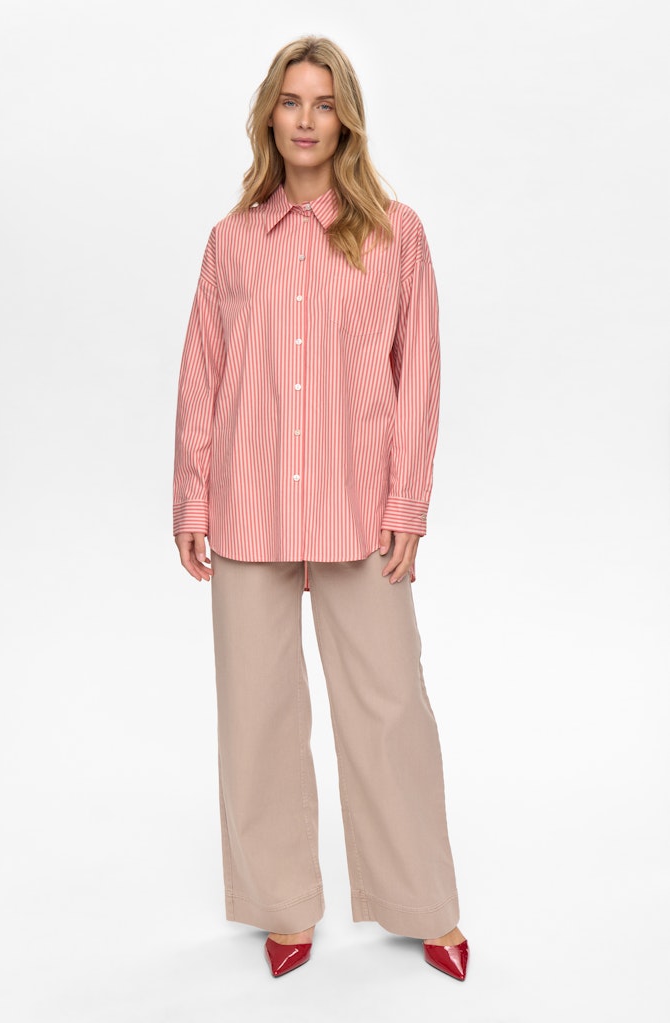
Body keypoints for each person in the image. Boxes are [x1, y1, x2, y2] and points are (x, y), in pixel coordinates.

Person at [172, 35, 469, 980]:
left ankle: (424, 904)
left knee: (390, 706)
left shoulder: (395, 234)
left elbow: (418, 375)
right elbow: (202, 373)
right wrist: (191, 494)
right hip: (247, 502)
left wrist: (407, 500)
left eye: (325, 102)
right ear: (270, 114)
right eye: (292, 101)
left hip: (358, 505)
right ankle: (281, 901)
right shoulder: (231, 242)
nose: (307, 119)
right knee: (255, 712)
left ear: (347, 120)